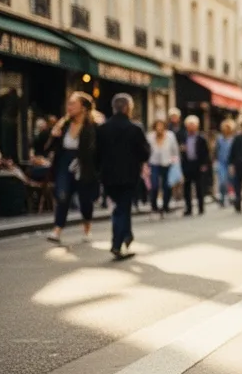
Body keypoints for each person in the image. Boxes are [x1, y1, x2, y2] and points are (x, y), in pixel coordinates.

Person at [96, 94, 151, 260]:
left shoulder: (102, 128)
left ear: (114, 108)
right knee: (122, 209)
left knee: (121, 208)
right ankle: (117, 243)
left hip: (108, 177)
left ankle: (127, 236)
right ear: (128, 108)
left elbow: (96, 154)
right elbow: (145, 154)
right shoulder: (135, 129)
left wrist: (100, 172)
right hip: (129, 176)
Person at [46, 92, 99, 244]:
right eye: (68, 104)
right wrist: (53, 135)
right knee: (62, 196)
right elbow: (48, 147)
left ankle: (87, 229)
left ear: (83, 108)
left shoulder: (92, 126)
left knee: (85, 200)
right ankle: (57, 230)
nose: (69, 107)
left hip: (84, 165)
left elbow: (97, 150)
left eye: (73, 104)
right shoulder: (64, 124)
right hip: (64, 163)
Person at [147, 119, 179, 216]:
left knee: (166, 186)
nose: (159, 128)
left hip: (167, 163)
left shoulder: (170, 136)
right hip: (154, 163)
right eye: (157, 126)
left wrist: (176, 163)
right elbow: (146, 150)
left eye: (161, 126)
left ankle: (165, 205)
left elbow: (175, 150)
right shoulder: (150, 136)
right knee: (154, 184)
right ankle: (154, 205)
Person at [180, 115, 210, 216]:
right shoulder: (184, 137)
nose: (191, 127)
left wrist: (204, 164)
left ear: (197, 126)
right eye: (189, 125)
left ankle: (201, 208)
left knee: (199, 188)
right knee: (187, 188)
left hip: (198, 165)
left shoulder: (201, 138)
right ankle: (188, 208)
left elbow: (206, 152)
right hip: (187, 165)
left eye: (193, 125)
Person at [215, 120, 236, 208]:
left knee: (231, 181)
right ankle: (222, 198)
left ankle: (231, 197)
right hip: (221, 162)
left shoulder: (233, 139)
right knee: (222, 181)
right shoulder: (219, 139)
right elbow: (216, 151)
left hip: (231, 163)